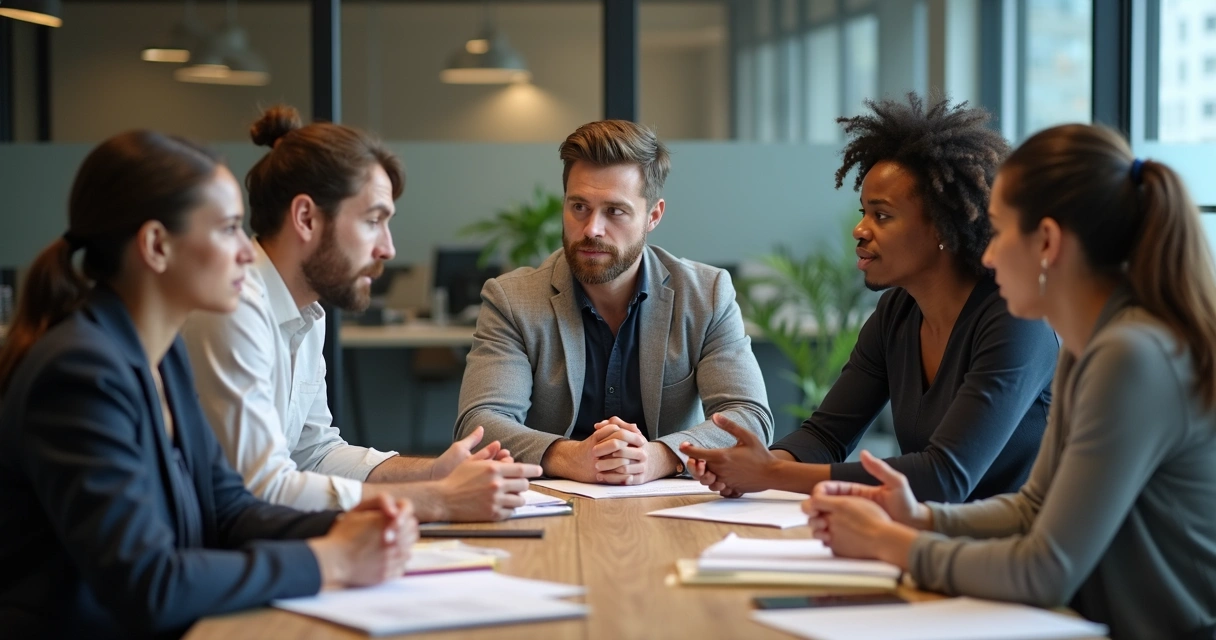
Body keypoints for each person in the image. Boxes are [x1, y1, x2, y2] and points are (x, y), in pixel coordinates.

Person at [804, 124, 1216, 640]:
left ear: (1046, 242)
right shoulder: (1092, 344)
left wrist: (894, 545)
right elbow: (1033, 508)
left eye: (998, 232)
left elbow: (1045, 571)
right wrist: (921, 520)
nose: (987, 254)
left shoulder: (1130, 356)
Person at [0, 131, 416, 639]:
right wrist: (329, 559)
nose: (248, 252)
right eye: (227, 230)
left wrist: (358, 523)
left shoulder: (164, 354)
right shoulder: (79, 371)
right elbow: (147, 582)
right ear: (156, 246)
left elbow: (229, 510)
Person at [684, 94, 1059, 502]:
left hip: (1014, 551)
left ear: (941, 227)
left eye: (881, 216)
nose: (859, 230)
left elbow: (945, 476)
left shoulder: (1016, 320)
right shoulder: (897, 314)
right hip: (930, 538)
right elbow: (826, 436)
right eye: (863, 212)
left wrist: (773, 473)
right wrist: (758, 463)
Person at [182, 105, 541, 519]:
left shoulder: (306, 312)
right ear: (306, 218)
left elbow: (314, 454)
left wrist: (435, 472)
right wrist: (436, 499)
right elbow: (259, 487)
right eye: (373, 221)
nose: (387, 248)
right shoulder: (234, 305)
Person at [455, 119, 774, 485]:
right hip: (551, 504)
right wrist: (569, 456)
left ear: (653, 216)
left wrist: (660, 456)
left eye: (615, 211)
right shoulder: (513, 300)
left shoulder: (706, 294)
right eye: (579, 207)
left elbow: (749, 418)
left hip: (668, 508)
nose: (592, 228)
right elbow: (479, 423)